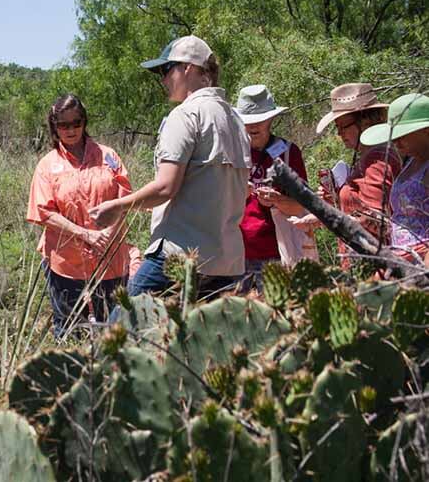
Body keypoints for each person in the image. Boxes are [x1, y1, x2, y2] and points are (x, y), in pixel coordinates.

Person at [90, 35, 250, 299]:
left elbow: (166, 187)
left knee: (128, 328)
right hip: (227, 262)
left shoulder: (186, 115)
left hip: (178, 258)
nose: (163, 79)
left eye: (166, 69)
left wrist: (118, 207)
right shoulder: (234, 119)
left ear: (188, 67)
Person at [27, 94, 132, 336]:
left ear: (84, 122)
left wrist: (106, 235)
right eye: (63, 125)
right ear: (54, 126)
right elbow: (44, 212)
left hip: (111, 257)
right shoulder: (47, 165)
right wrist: (86, 235)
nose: (71, 129)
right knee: (69, 329)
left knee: (114, 329)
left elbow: (124, 198)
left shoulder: (109, 156)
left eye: (76, 123)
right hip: (65, 261)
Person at [295, 83, 402, 251]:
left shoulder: (376, 161)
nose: (339, 133)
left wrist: (329, 217)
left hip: (373, 262)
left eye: (343, 126)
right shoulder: (372, 157)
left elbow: (378, 220)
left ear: (366, 121)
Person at [234, 85, 309, 290]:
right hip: (232, 256)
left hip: (277, 254)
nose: (253, 126)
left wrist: (277, 200)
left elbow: (302, 208)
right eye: (248, 121)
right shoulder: (231, 155)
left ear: (272, 119)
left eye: (260, 119)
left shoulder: (289, 153)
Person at [361, 93, 429, 266]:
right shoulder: (410, 161)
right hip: (402, 257)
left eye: (402, 135)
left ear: (425, 131)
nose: (396, 142)